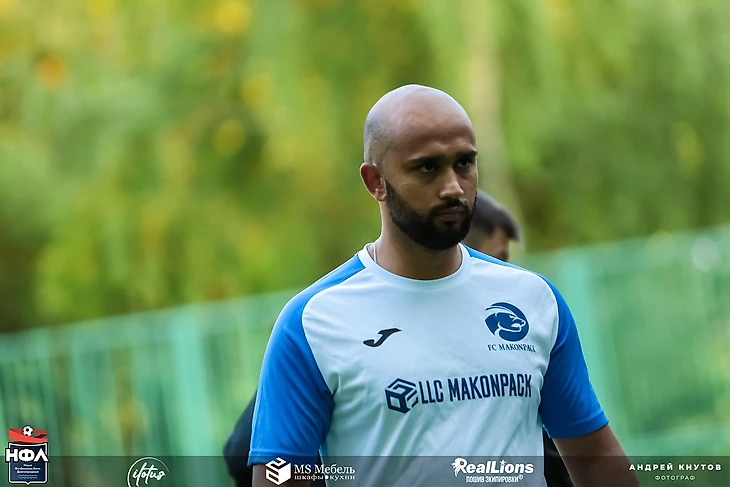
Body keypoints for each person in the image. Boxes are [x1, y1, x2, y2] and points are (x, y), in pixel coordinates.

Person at [246, 85, 638, 487]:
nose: (453, 187)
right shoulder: (313, 322)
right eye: (427, 168)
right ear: (376, 181)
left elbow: (596, 460)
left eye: (464, 163)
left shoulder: (534, 300)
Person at [223, 190, 574, 487]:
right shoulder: (334, 330)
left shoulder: (517, 335)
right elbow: (245, 453)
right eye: (496, 258)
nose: (504, 272)